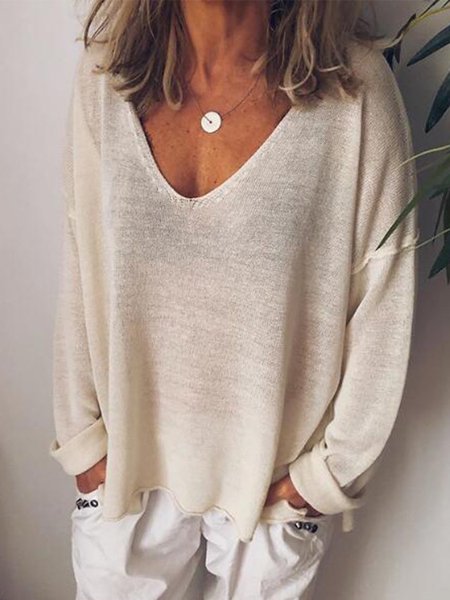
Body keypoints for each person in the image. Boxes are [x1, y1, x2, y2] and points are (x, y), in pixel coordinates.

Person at [49, 0, 419, 598]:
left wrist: (327, 475)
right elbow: (81, 251)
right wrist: (82, 437)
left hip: (273, 486)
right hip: (126, 472)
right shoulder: (106, 75)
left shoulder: (354, 92)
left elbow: (385, 294)